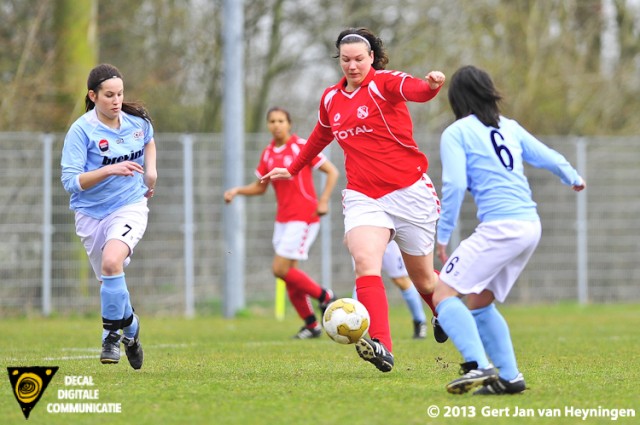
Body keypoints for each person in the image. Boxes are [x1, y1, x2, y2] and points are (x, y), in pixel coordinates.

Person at [262, 28, 446, 372]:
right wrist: (293, 168)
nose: (352, 65)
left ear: (371, 57)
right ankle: (382, 345)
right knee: (365, 261)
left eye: (359, 59)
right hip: (364, 196)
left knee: (422, 280)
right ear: (339, 60)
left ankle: (444, 310)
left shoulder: (385, 83)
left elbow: (416, 90)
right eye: (345, 59)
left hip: (409, 193)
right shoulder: (331, 98)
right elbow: (319, 135)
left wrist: (432, 85)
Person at [433, 65, 586, 395]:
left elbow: (455, 184)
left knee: (442, 293)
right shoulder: (509, 127)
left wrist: (442, 235)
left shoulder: (457, 132)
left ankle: (478, 365)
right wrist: (572, 176)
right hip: (529, 225)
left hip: (501, 227)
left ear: (456, 98)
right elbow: (547, 156)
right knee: (480, 302)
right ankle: (510, 377)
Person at [61, 63, 157, 370]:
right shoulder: (82, 130)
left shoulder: (136, 123)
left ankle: (111, 336)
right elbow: (71, 182)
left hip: (130, 205)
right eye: (108, 95)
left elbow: (148, 139)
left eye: (120, 94)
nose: (116, 101)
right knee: (110, 279)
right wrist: (108, 170)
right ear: (93, 95)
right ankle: (131, 330)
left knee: (112, 261)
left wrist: (151, 173)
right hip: (90, 214)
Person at [224, 107, 339, 339]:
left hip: (304, 216)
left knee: (279, 269)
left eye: (281, 120)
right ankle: (311, 325)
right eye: (272, 121)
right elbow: (260, 186)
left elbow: (332, 172)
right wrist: (237, 190)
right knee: (288, 274)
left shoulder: (301, 146)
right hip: (283, 220)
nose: (276, 125)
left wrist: (324, 200)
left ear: (289, 123)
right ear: (268, 125)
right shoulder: (267, 153)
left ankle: (326, 297)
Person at [352, 240, 447, 341]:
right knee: (364, 277)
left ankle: (420, 321)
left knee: (402, 280)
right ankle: (356, 323)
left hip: (388, 239)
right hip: (365, 234)